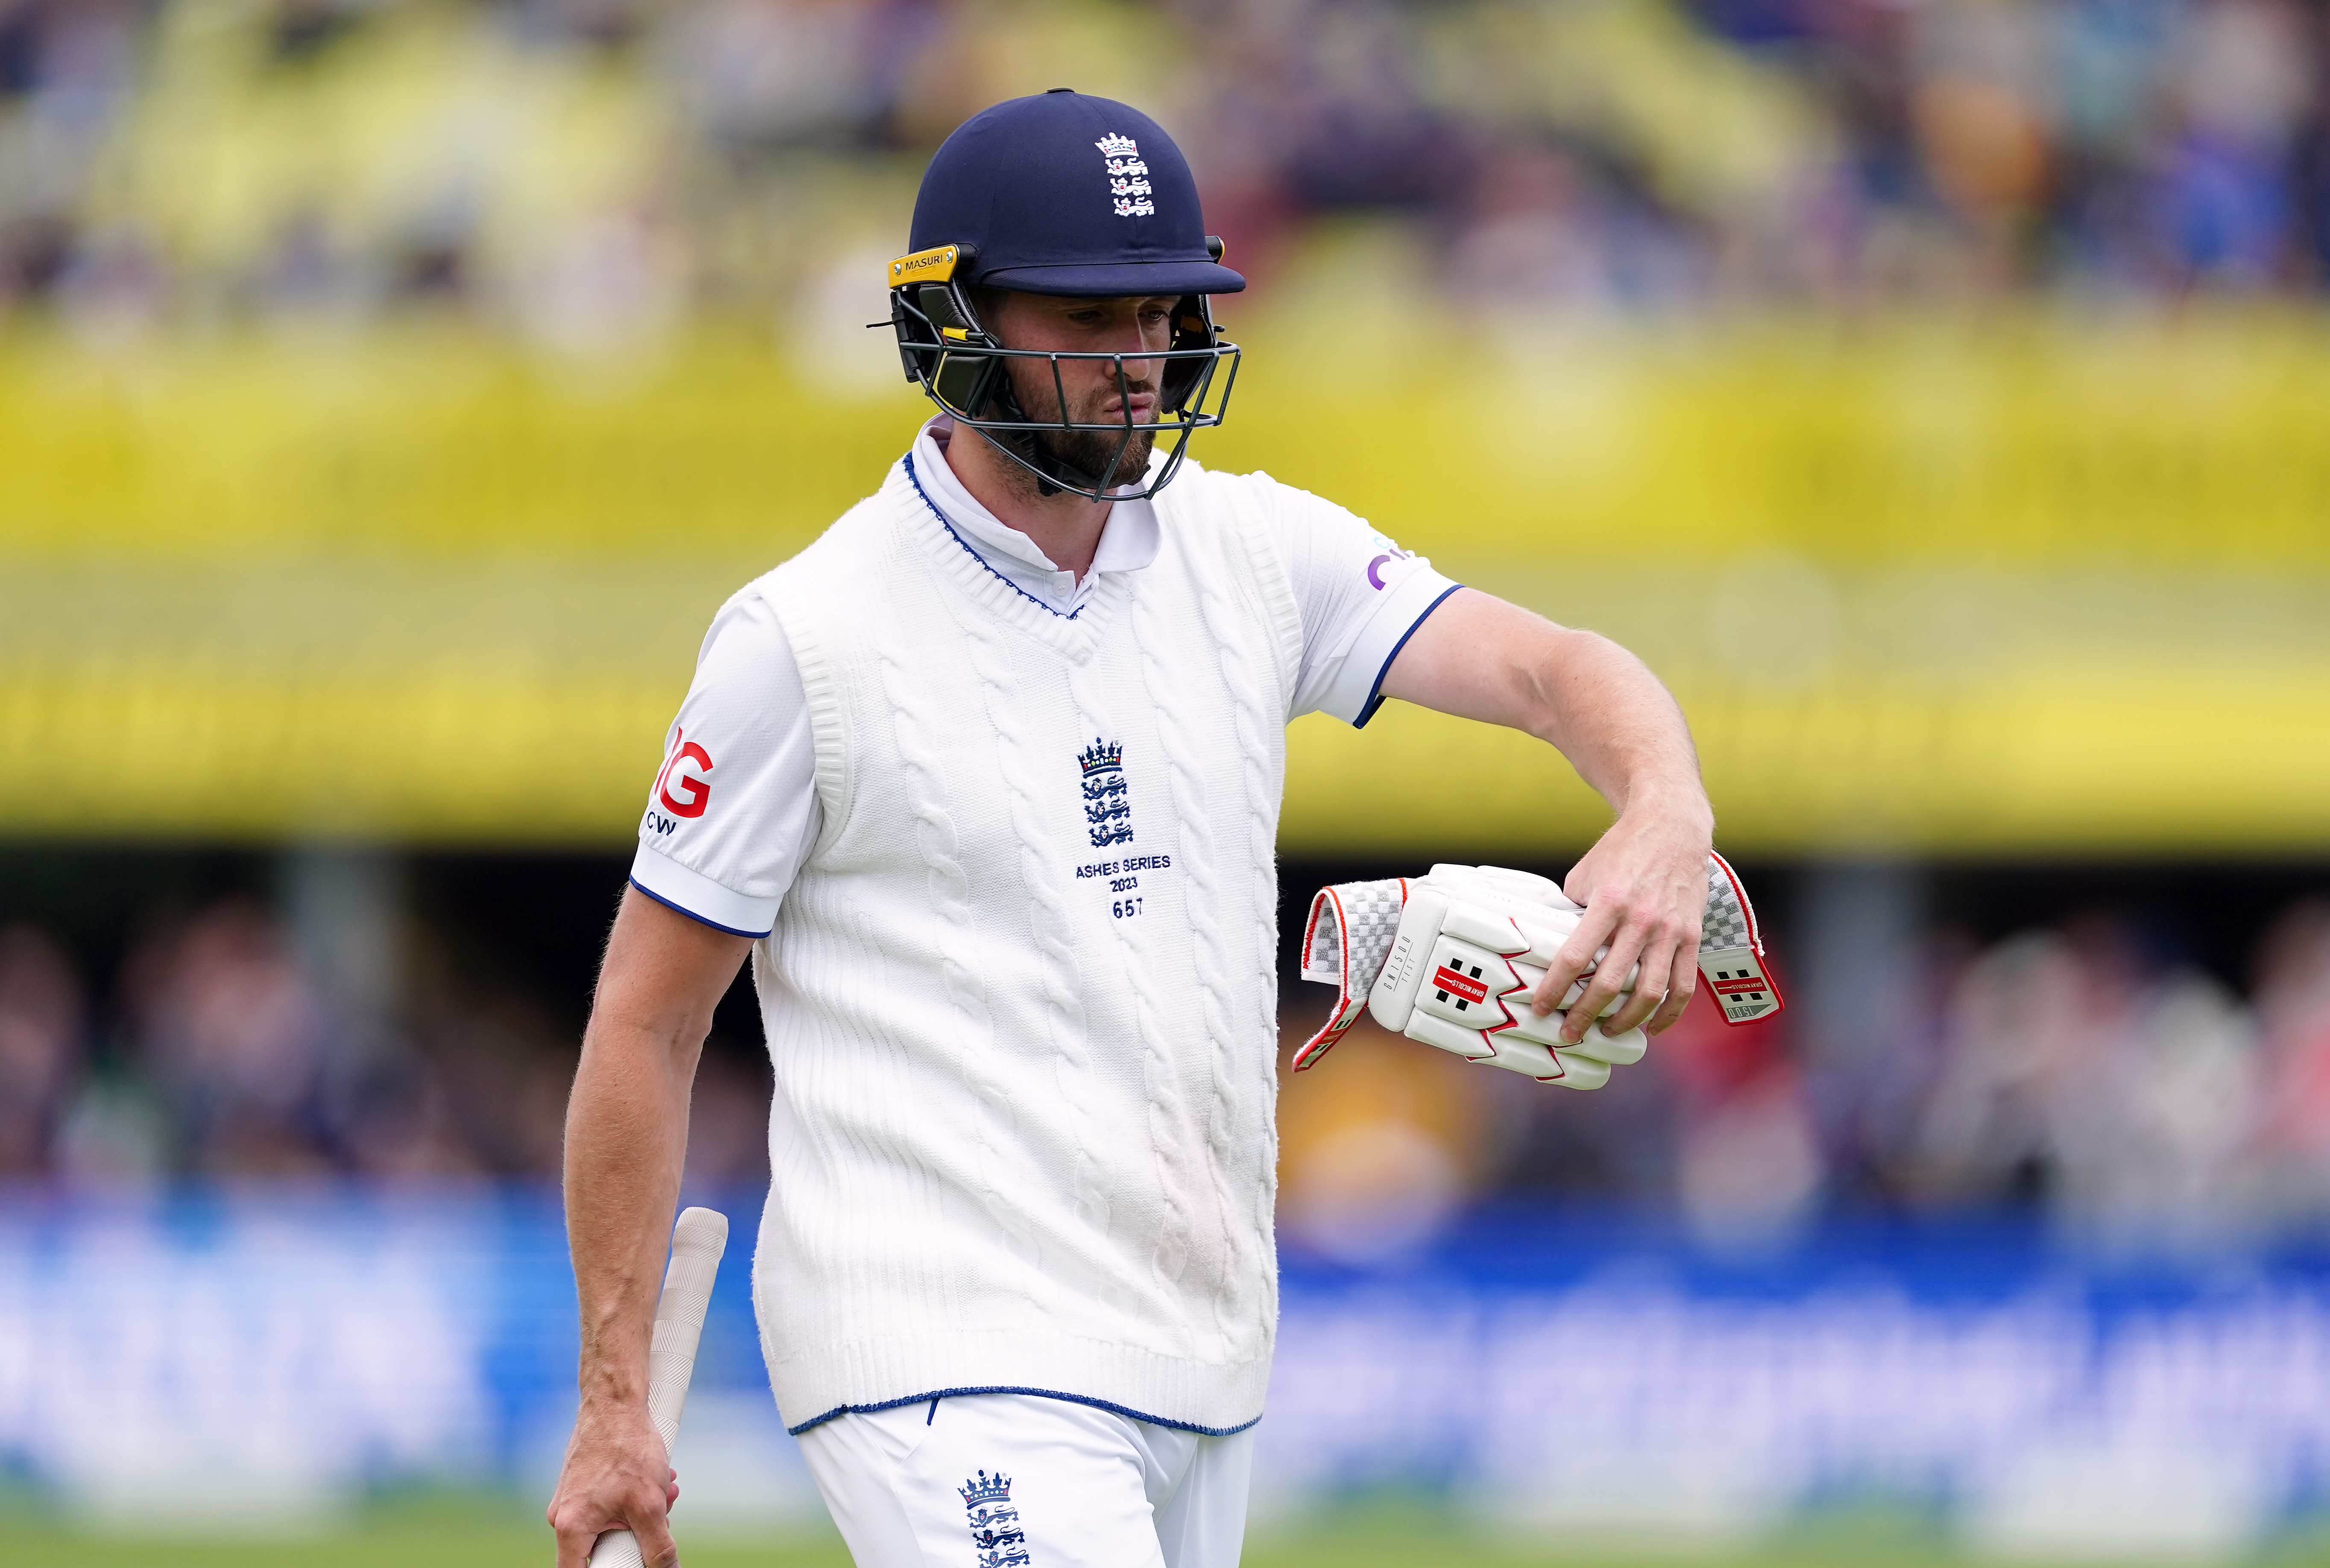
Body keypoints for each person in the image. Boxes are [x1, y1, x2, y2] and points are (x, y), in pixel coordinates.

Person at [548, 91, 1713, 1568]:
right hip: (935, 1349)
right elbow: (643, 1029)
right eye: (1090, 322)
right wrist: (608, 1401)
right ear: (952, 326)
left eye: (1164, 315)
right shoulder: (803, 638)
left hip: (1199, 1351)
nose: (1142, 364)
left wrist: (1663, 812)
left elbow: (1557, 670)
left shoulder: (1254, 550)